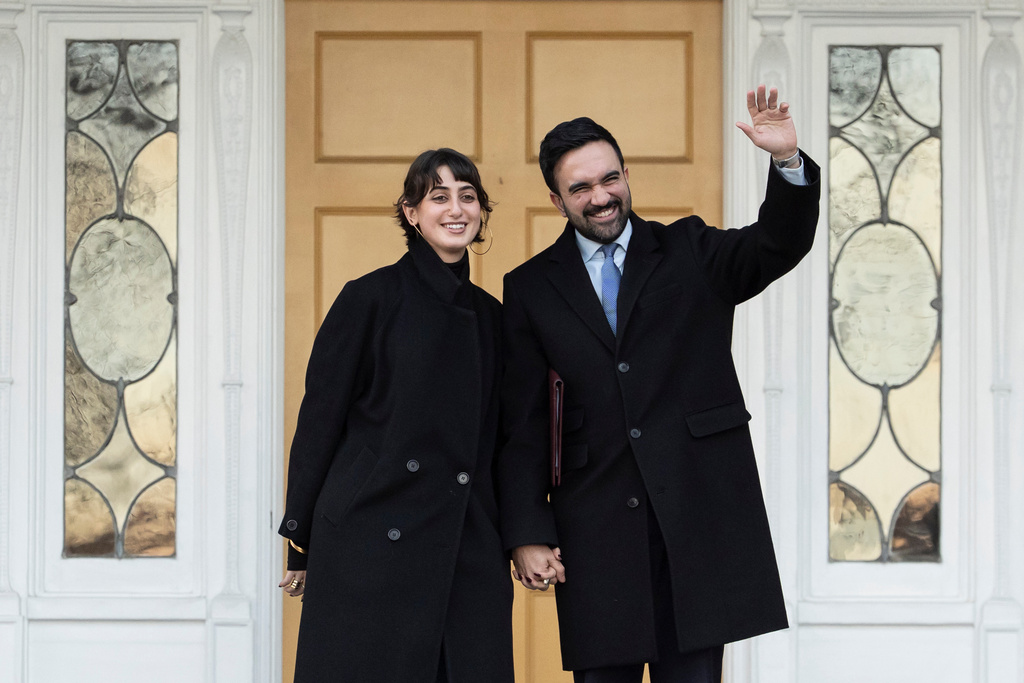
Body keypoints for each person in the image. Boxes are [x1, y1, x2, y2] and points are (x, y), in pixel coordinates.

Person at [497, 85, 821, 682]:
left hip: (698, 519)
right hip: (593, 529)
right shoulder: (528, 289)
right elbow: (522, 423)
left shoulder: (690, 249)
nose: (601, 197)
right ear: (556, 198)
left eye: (609, 178)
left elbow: (779, 242)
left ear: (626, 174)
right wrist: (526, 531)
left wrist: (786, 163)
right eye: (581, 188)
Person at [278, 148, 513, 683]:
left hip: (465, 545)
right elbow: (320, 421)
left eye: (468, 196)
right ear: (411, 213)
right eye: (438, 197)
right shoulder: (368, 299)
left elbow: (504, 442)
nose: (456, 209)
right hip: (367, 543)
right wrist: (300, 537)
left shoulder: (492, 319)